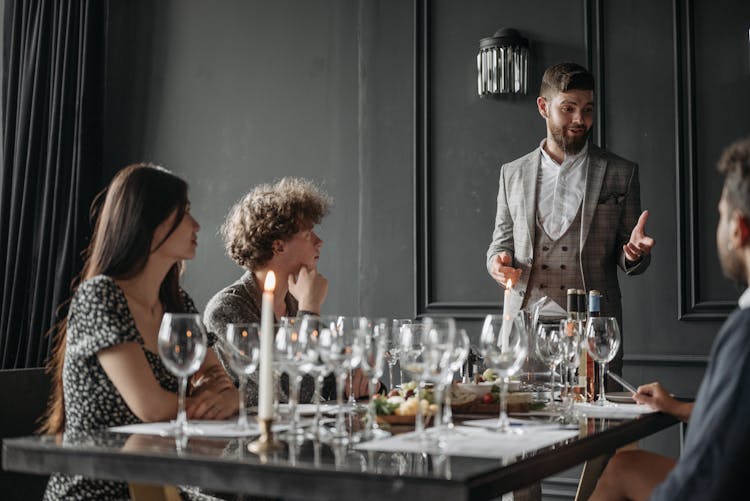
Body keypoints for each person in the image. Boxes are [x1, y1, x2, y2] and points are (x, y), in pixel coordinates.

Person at [40, 164, 238, 500]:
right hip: (99, 487)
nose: (197, 225)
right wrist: (208, 400)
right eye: (185, 212)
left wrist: (223, 397)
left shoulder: (177, 304)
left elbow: (224, 385)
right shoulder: (100, 296)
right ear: (152, 223)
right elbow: (151, 406)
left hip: (156, 486)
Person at [589, 135, 750, 500]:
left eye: (721, 216)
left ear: (739, 230)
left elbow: (708, 477)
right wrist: (675, 407)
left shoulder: (745, 336)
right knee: (622, 468)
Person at [486, 62, 655, 376]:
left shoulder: (621, 173)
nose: (581, 120)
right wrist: (497, 262)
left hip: (593, 330)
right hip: (524, 330)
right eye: (569, 108)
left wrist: (632, 253)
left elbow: (631, 253)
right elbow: (501, 242)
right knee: (526, 419)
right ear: (543, 107)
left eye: (588, 109)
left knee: (595, 423)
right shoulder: (512, 173)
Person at [204, 177, 372, 406]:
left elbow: (329, 381)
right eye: (308, 234)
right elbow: (291, 391)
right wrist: (310, 309)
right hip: (249, 438)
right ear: (279, 246)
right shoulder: (226, 309)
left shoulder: (293, 302)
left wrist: (359, 378)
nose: (319, 242)